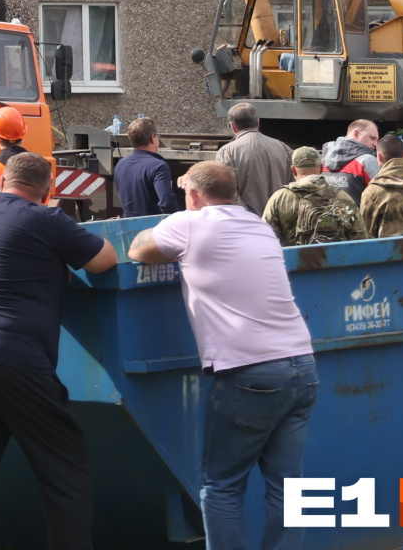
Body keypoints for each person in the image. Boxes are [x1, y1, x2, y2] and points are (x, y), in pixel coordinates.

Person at [0, 150, 118, 550]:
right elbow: (105, 259)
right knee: (64, 469)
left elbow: (6, 257)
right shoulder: (47, 219)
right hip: (11, 357)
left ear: (2, 181)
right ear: (47, 190)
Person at [131, 161, 318, 550]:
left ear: (194, 196)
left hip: (250, 372)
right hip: (302, 364)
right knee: (289, 487)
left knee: (222, 486)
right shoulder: (259, 226)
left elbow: (138, 250)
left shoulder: (189, 223)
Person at [262, 144, 366, 246]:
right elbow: (360, 239)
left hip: (293, 262)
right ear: (321, 168)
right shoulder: (342, 197)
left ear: (293, 170)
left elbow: (266, 239)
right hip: (335, 261)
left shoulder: (279, 198)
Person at [215, 102, 293, 219]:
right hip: (280, 220)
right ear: (258, 122)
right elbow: (294, 183)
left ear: (232, 126)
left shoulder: (227, 151)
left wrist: (248, 218)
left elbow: (227, 191)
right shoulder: (283, 147)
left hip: (248, 222)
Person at [114, 115, 182, 217]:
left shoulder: (120, 164)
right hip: (151, 228)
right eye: (157, 137)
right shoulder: (159, 166)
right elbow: (167, 203)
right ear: (152, 139)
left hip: (128, 226)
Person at [321, 118, 382, 198]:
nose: (375, 144)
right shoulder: (367, 160)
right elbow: (381, 195)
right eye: (372, 138)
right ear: (356, 134)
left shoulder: (324, 158)